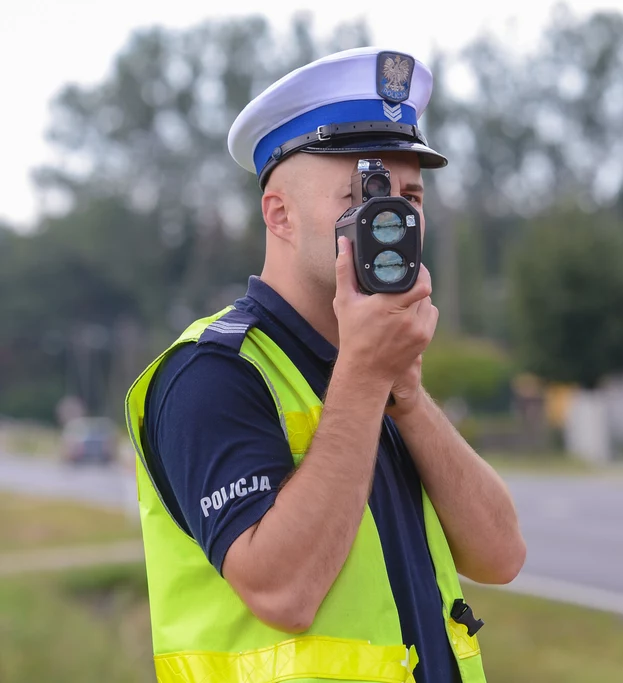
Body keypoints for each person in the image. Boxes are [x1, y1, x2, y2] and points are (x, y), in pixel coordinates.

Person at [124, 47, 526, 683]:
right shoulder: (209, 376)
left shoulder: (377, 368)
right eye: (364, 191)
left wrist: (409, 398)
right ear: (278, 213)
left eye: (411, 195)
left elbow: (501, 554)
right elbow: (282, 592)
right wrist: (366, 380)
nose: (392, 216)